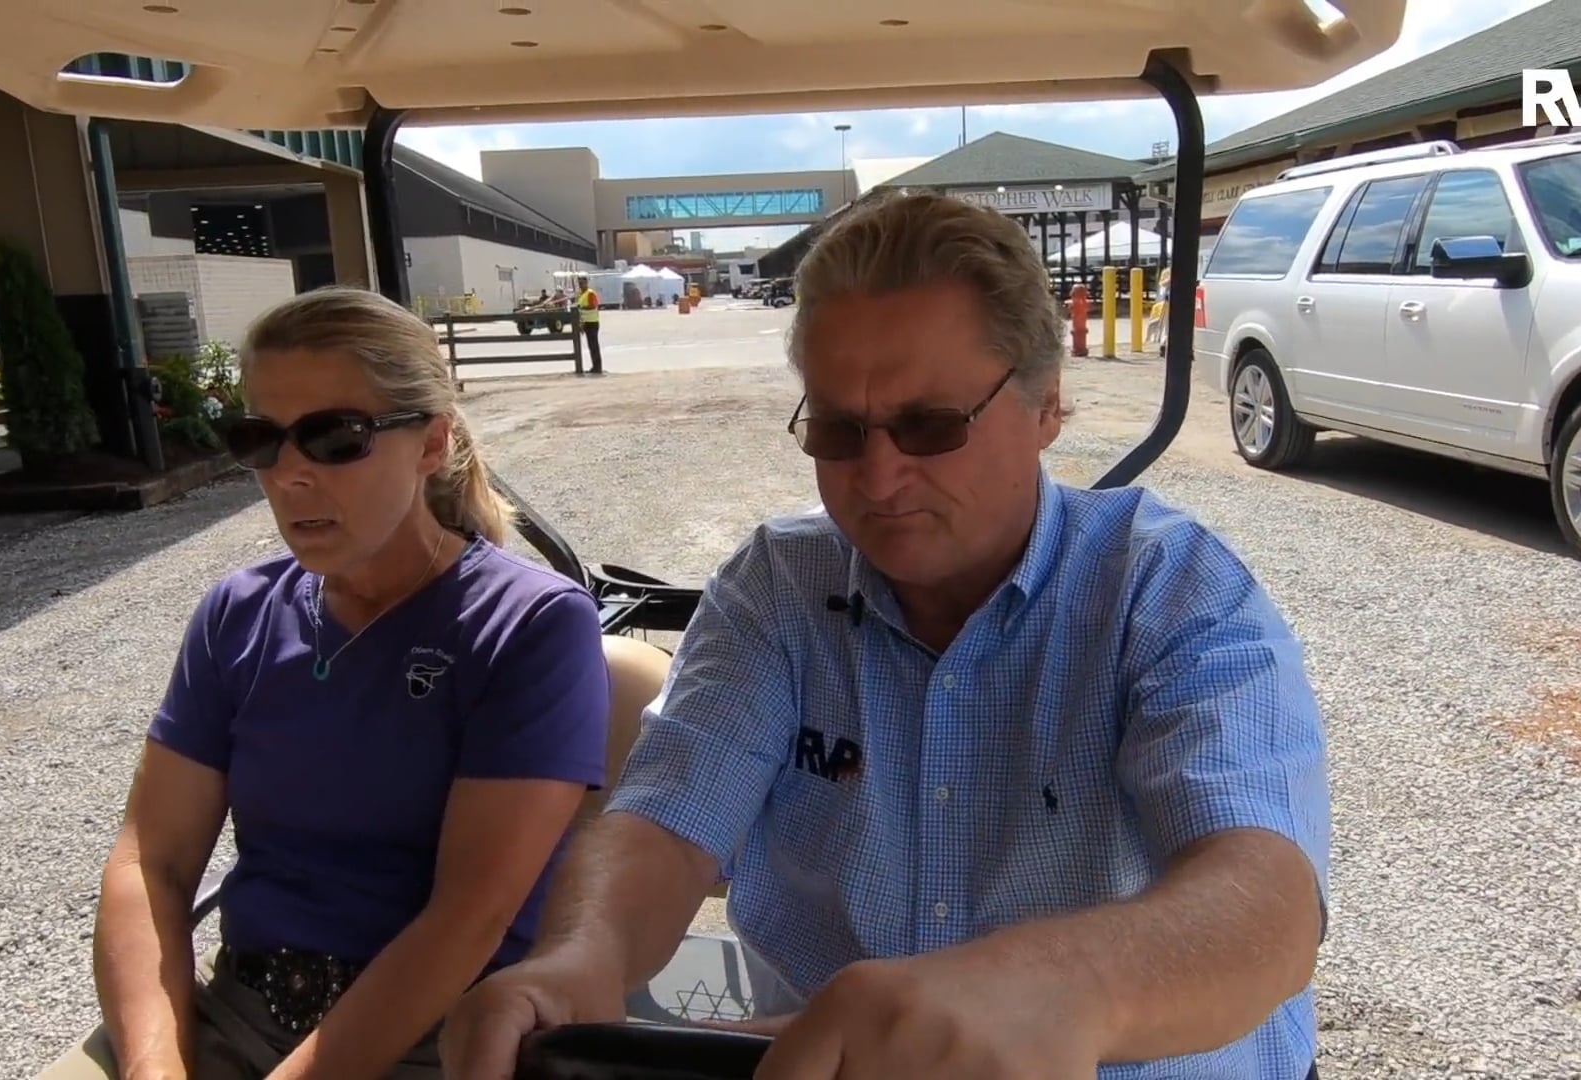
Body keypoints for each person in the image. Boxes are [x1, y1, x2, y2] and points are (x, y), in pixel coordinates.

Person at [439, 193, 1332, 1080]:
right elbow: (667, 821)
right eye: (838, 429)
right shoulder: (781, 586)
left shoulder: (1169, 590)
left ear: (1047, 407)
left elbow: (1265, 907)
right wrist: (582, 958)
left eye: (929, 426)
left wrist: (1059, 988)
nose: (878, 474)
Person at [37, 286, 666, 1080]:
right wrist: (153, 1066)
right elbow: (151, 863)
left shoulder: (529, 625)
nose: (291, 476)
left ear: (432, 443)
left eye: (335, 437)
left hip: (437, 1040)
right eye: (260, 440)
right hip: (239, 1012)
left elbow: (468, 915)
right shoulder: (238, 614)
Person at [575, 282, 602, 375]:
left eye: (582, 283)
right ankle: (595, 366)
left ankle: (597, 367)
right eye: (580, 283)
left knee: (594, 346)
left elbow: (593, 305)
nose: (581, 285)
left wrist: (581, 307)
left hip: (592, 322)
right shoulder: (581, 295)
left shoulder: (590, 293)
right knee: (591, 346)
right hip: (586, 322)